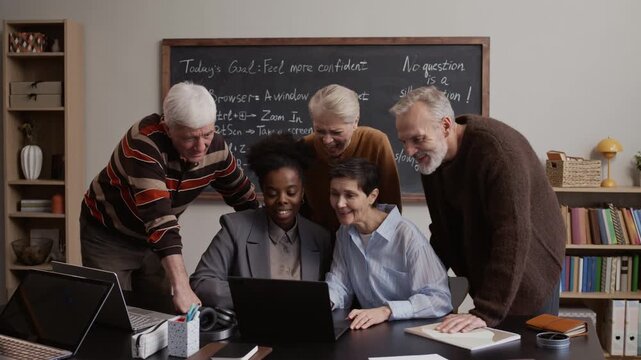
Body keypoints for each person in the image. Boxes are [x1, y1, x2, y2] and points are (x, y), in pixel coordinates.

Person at [391, 86, 565, 333]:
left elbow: (512, 234)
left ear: (446, 126)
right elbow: (443, 231)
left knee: (529, 350)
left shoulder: (499, 153)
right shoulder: (433, 158)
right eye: (404, 142)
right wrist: (419, 286)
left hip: (531, 270)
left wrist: (486, 311)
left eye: (417, 139)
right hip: (491, 269)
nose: (409, 151)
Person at [80, 82, 258, 313]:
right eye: (189, 138)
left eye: (207, 134)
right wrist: (182, 286)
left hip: (155, 242)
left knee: (159, 312)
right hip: (109, 235)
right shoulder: (143, 144)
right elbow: (159, 218)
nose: (201, 146)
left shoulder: (216, 148)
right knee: (112, 314)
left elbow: (244, 197)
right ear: (167, 126)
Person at [190, 133, 332, 309]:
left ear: (302, 192)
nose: (282, 200)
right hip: (249, 333)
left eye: (291, 192)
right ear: (263, 192)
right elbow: (202, 283)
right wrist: (260, 298)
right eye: (272, 193)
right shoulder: (235, 229)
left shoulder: (321, 238)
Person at [325, 158, 451, 330]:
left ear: (372, 196)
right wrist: (325, 302)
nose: (339, 204)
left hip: (410, 332)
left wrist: (387, 311)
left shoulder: (407, 236)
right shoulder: (344, 232)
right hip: (369, 332)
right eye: (334, 194)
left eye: (349, 195)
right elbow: (340, 285)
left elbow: (440, 299)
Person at [302, 84, 402, 237]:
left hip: (368, 240)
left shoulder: (376, 142)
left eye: (336, 132)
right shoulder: (303, 148)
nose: (327, 140)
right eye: (319, 131)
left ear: (355, 122)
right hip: (318, 241)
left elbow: (392, 207)